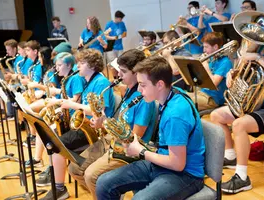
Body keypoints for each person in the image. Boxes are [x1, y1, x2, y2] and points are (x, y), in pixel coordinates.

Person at [96, 55, 205, 199]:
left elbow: (177, 164)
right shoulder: (170, 94)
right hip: (162, 162)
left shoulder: (175, 115)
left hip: (186, 174)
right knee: (103, 183)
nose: (139, 90)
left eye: (143, 85)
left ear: (159, 84)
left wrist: (140, 152)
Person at [67, 49, 157, 199]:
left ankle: (109, 192)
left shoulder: (143, 100)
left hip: (128, 150)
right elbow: (122, 121)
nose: (118, 75)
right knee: (74, 168)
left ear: (136, 73)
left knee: (91, 176)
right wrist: (103, 123)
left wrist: (106, 123)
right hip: (113, 141)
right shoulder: (127, 91)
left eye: (123, 71)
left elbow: (134, 137)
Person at [210, 46, 264, 193]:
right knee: (216, 116)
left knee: (239, 125)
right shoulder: (250, 54)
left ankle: (242, 177)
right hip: (252, 105)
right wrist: (232, 74)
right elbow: (241, 77)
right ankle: (231, 156)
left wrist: (258, 58)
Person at [39, 49, 115, 200]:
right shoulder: (89, 81)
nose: (77, 66)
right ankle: (56, 176)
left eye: (81, 63)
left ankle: (59, 189)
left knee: (55, 145)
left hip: (97, 130)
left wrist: (71, 105)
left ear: (92, 66)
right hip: (85, 126)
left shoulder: (101, 82)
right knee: (53, 139)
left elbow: (99, 113)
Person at [187, 32, 232, 111]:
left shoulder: (225, 62)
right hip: (202, 93)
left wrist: (205, 66)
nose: (204, 50)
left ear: (215, 47)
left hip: (213, 99)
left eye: (206, 47)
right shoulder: (211, 58)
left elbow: (214, 83)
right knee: (178, 97)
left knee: (184, 103)